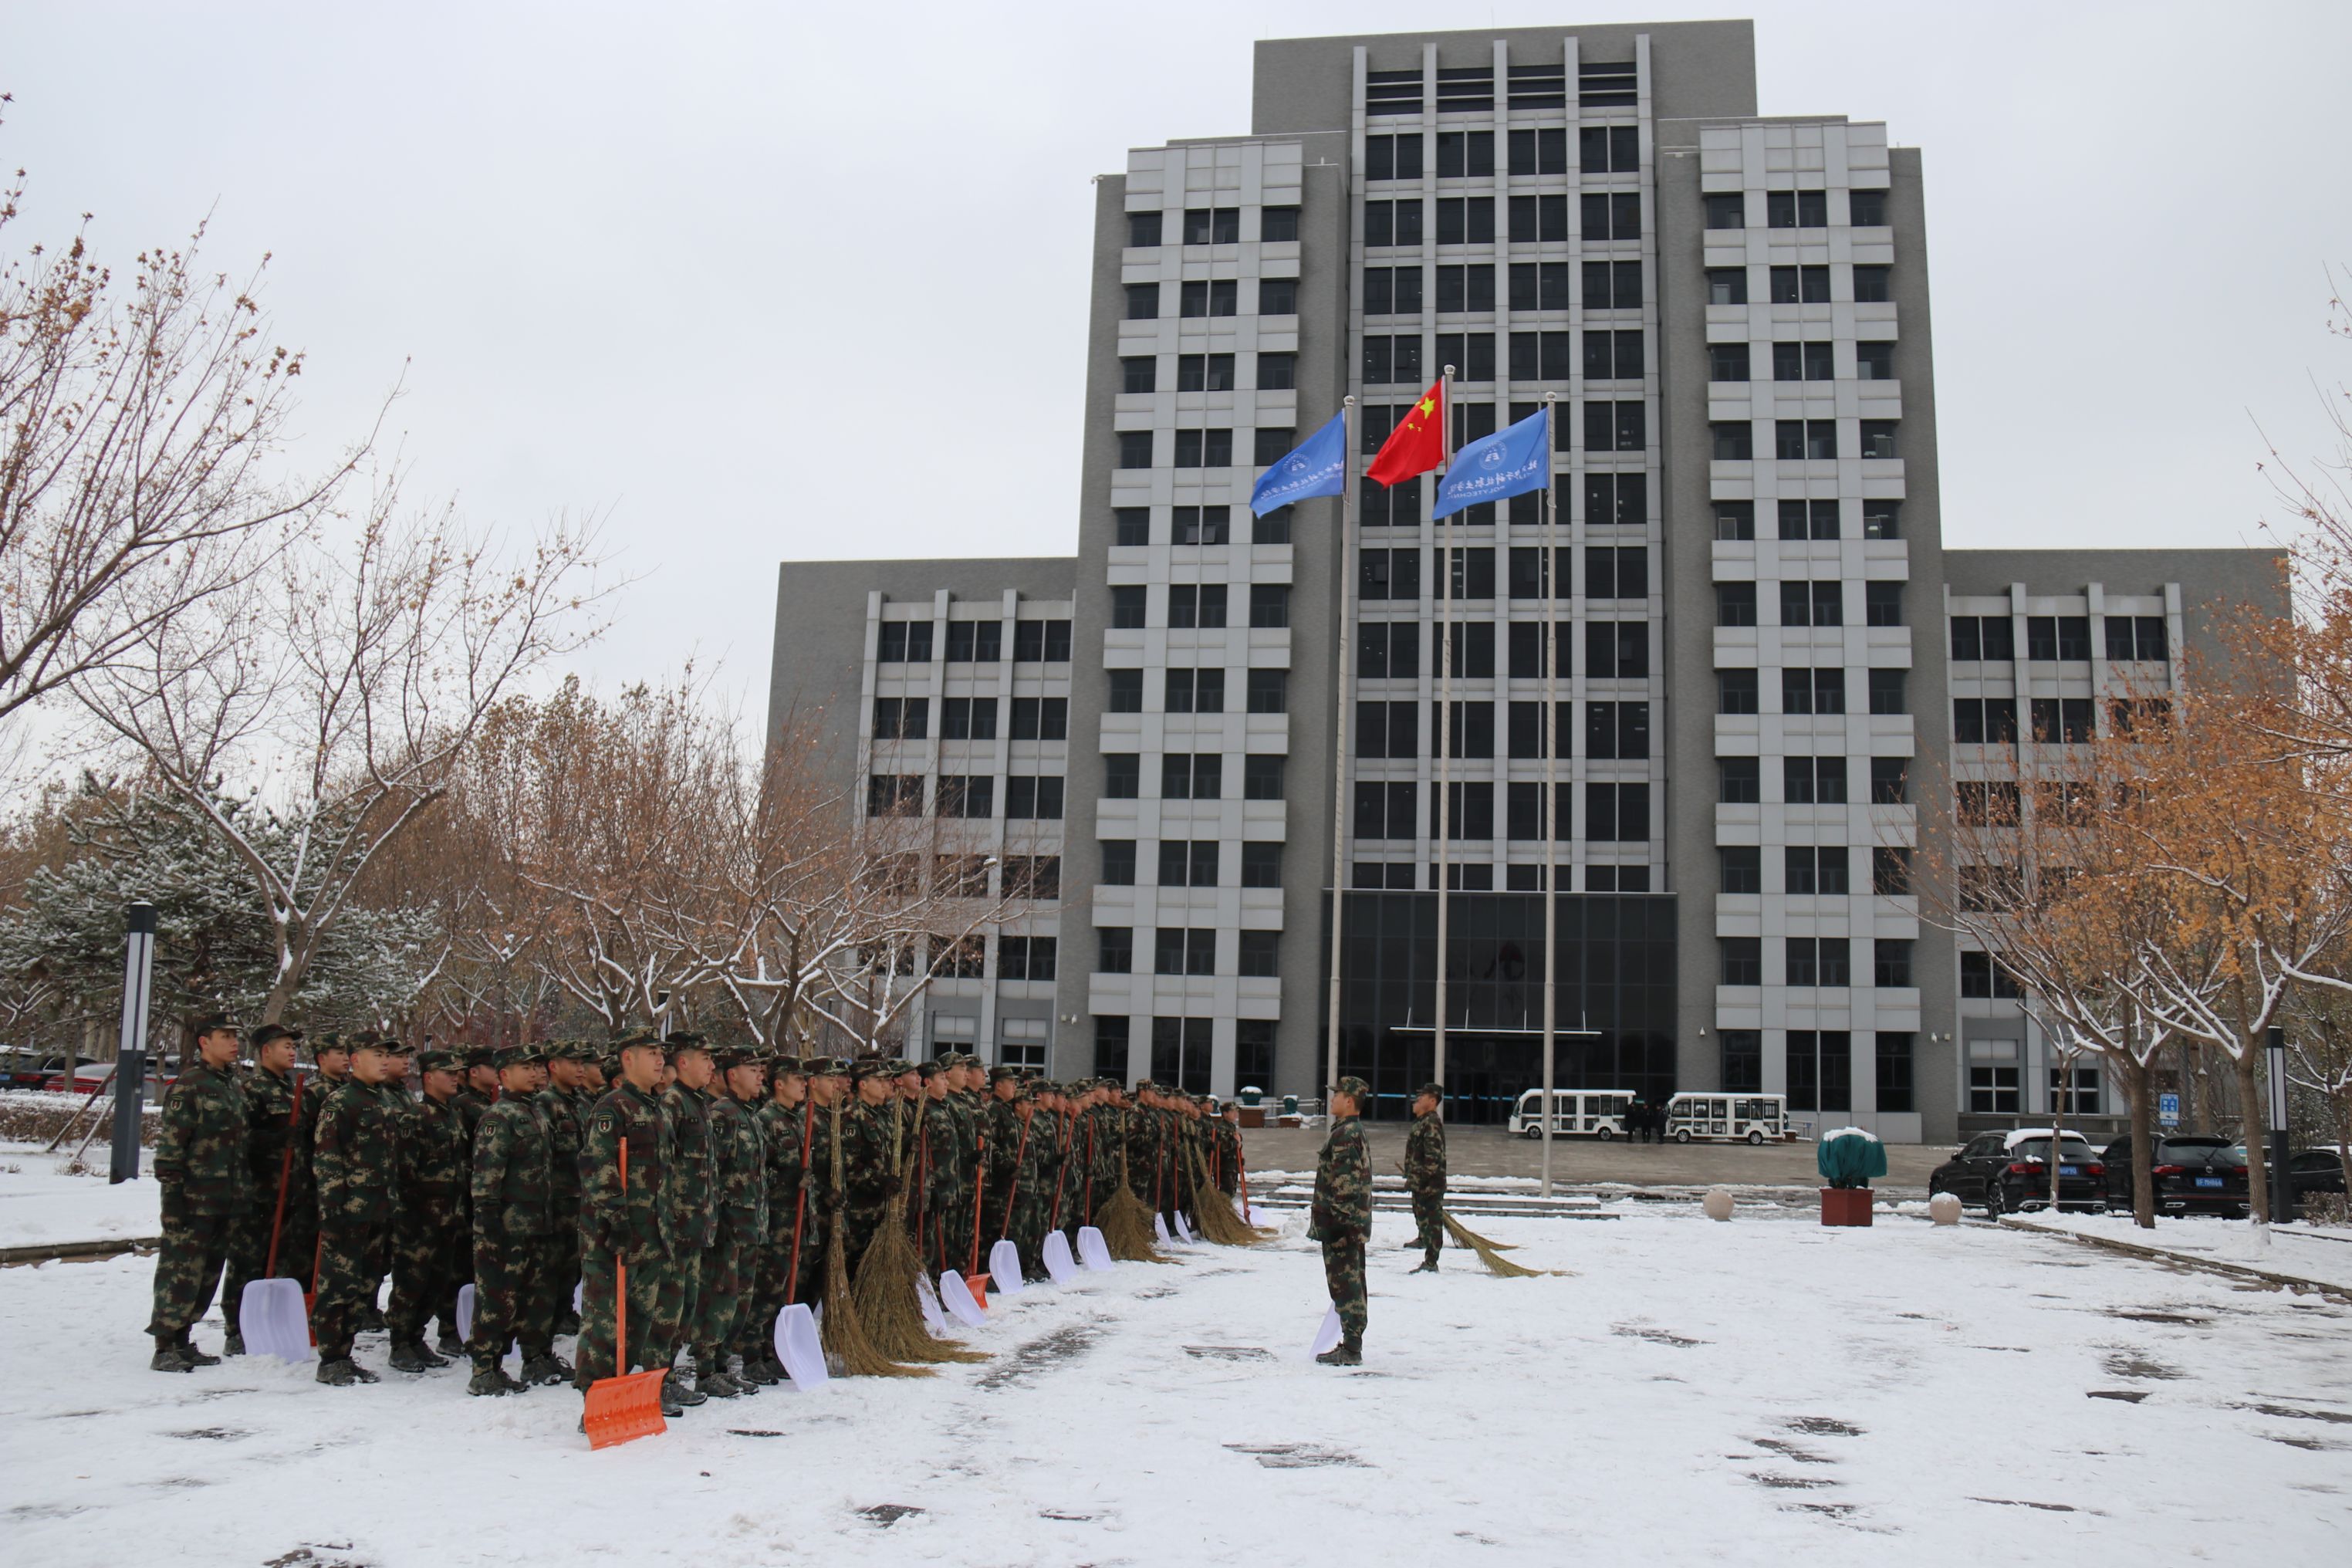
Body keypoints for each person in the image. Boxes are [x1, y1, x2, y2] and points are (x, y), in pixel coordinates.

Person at [576, 1030, 682, 1418]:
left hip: (651, 1236)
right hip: (614, 1236)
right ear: (627, 1059)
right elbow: (598, 1166)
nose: (659, 1060)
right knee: (605, 1325)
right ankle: (595, 1403)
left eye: (661, 1054)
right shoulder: (613, 1108)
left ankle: (623, 1394)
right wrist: (615, 1218)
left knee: (637, 1323)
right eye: (650, 1053)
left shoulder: (655, 1108)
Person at [147, 1014, 251, 1371]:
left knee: (208, 1272)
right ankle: (164, 1346)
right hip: (192, 1197)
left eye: (236, 1036)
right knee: (180, 1271)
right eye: (226, 1036)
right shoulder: (190, 1085)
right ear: (205, 1042)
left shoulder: (231, 1085)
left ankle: (183, 1339)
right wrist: (173, 1193)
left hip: (225, 1197)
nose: (234, 1043)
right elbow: (172, 1145)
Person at [470, 1045, 564, 1394]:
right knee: (497, 1298)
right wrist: (488, 1217)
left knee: (535, 1297)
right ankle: (484, 1368)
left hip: (536, 1224)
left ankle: (534, 1358)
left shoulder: (535, 1112)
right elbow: (486, 1174)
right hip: (505, 1227)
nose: (532, 1072)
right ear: (504, 1075)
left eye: (535, 1066)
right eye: (523, 1067)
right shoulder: (500, 1116)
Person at [312, 1035, 404, 1385]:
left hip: (378, 1209)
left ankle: (345, 1351)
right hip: (349, 1211)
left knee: (364, 1283)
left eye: (386, 1055)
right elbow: (327, 1158)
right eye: (377, 1055)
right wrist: (332, 1208)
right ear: (355, 1060)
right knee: (338, 1285)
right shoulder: (341, 1102)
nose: (384, 1061)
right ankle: (331, 1356)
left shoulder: (381, 1101)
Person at [222, 1022, 307, 1357]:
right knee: (247, 1261)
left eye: (294, 1046)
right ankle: (235, 1327)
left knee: (284, 1261)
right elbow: (240, 1138)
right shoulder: (252, 1090)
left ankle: (272, 1322)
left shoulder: (291, 1090)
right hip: (259, 1193)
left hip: (290, 1193)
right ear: (265, 1051)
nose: (292, 1051)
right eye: (285, 1045)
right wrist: (274, 1140)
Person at [385, 1047, 469, 1371]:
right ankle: (399, 1342)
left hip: (448, 1216)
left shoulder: (452, 1115)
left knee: (436, 1282)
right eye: (448, 1074)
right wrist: (410, 1216)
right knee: (410, 1282)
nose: (454, 1078)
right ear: (429, 1077)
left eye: (456, 1073)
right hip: (419, 1219)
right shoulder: (414, 1117)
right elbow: (403, 1173)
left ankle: (416, 1338)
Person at [701, 1044, 769, 1394]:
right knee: (720, 1298)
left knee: (741, 1300)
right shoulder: (722, 1115)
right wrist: (719, 1219)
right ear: (732, 1075)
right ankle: (706, 1366)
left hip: (750, 1224)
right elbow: (713, 1173)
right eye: (752, 1068)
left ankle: (723, 1362)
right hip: (729, 1225)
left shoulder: (749, 1114)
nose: (760, 1075)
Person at [658, 1032, 721, 1403]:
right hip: (677, 1227)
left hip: (697, 1225)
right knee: (667, 1309)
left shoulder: (697, 1103)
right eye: (705, 1058)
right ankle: (658, 1379)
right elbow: (664, 1170)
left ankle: (666, 1375)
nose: (712, 1066)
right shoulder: (672, 1104)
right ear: (683, 1062)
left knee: (684, 1308)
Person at [1309, 1076, 1374, 1367]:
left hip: (1341, 1226)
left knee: (1346, 1285)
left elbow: (1345, 1183)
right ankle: (1352, 1343)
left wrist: (1340, 1224)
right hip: (1346, 1224)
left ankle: (1351, 1348)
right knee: (1350, 1284)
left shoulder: (1346, 1134)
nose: (1333, 1100)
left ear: (1349, 1101)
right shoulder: (1349, 1131)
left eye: (1337, 1095)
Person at [536, 1041, 592, 1335]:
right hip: (557, 1201)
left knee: (572, 1266)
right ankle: (547, 1322)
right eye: (574, 1063)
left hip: (579, 1200)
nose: (581, 1069)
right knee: (550, 1269)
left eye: (583, 1063)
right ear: (554, 1067)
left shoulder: (581, 1103)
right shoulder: (545, 1103)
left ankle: (564, 1311)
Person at [1404, 1081, 1448, 1273]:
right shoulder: (1424, 1122)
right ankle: (1424, 1240)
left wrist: (1421, 1180)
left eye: (1422, 1097)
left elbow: (1433, 1158)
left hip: (1430, 1186)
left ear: (1432, 1101)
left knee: (1432, 1222)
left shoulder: (1431, 1124)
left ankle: (1431, 1261)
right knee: (1423, 1218)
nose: (1417, 1100)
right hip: (1421, 1183)